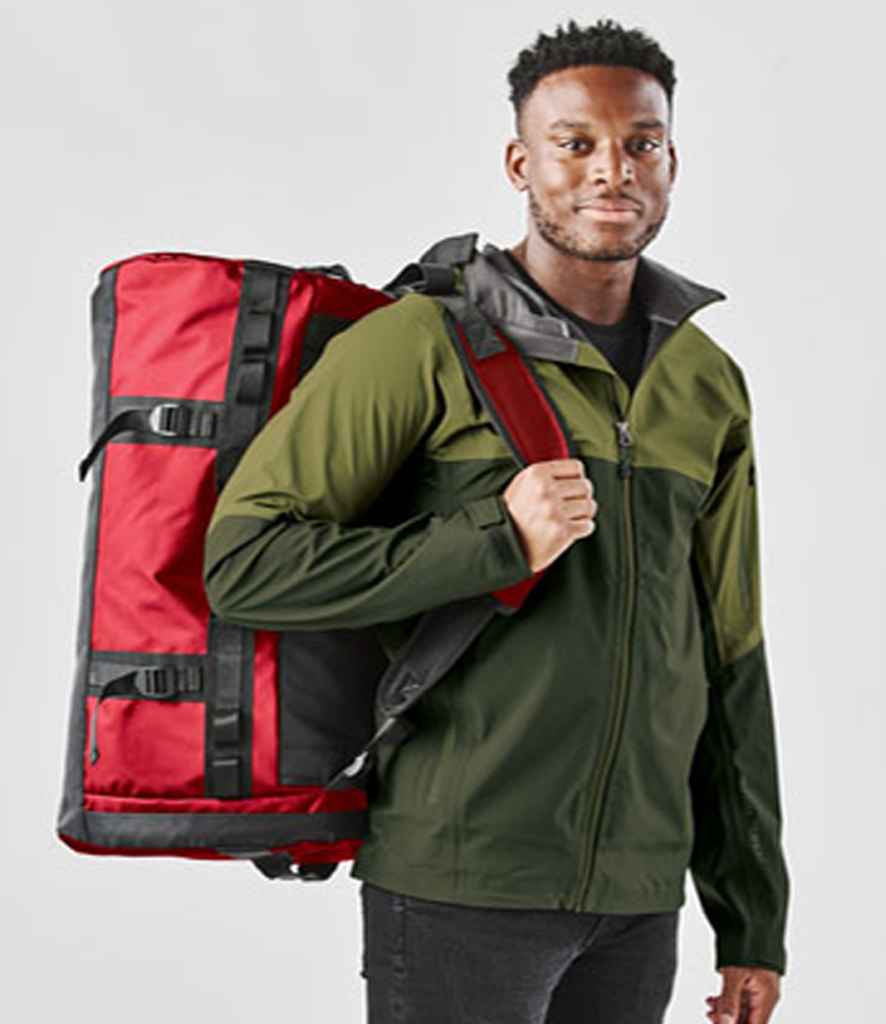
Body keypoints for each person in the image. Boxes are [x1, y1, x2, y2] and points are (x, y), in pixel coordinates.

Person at [202, 16, 790, 1024]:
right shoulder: (418, 344)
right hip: (459, 879)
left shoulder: (708, 383)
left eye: (641, 143)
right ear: (522, 164)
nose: (612, 170)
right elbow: (245, 561)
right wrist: (495, 541)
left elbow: (729, 654)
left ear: (671, 162)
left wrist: (751, 920)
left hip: (639, 896)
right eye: (575, 142)